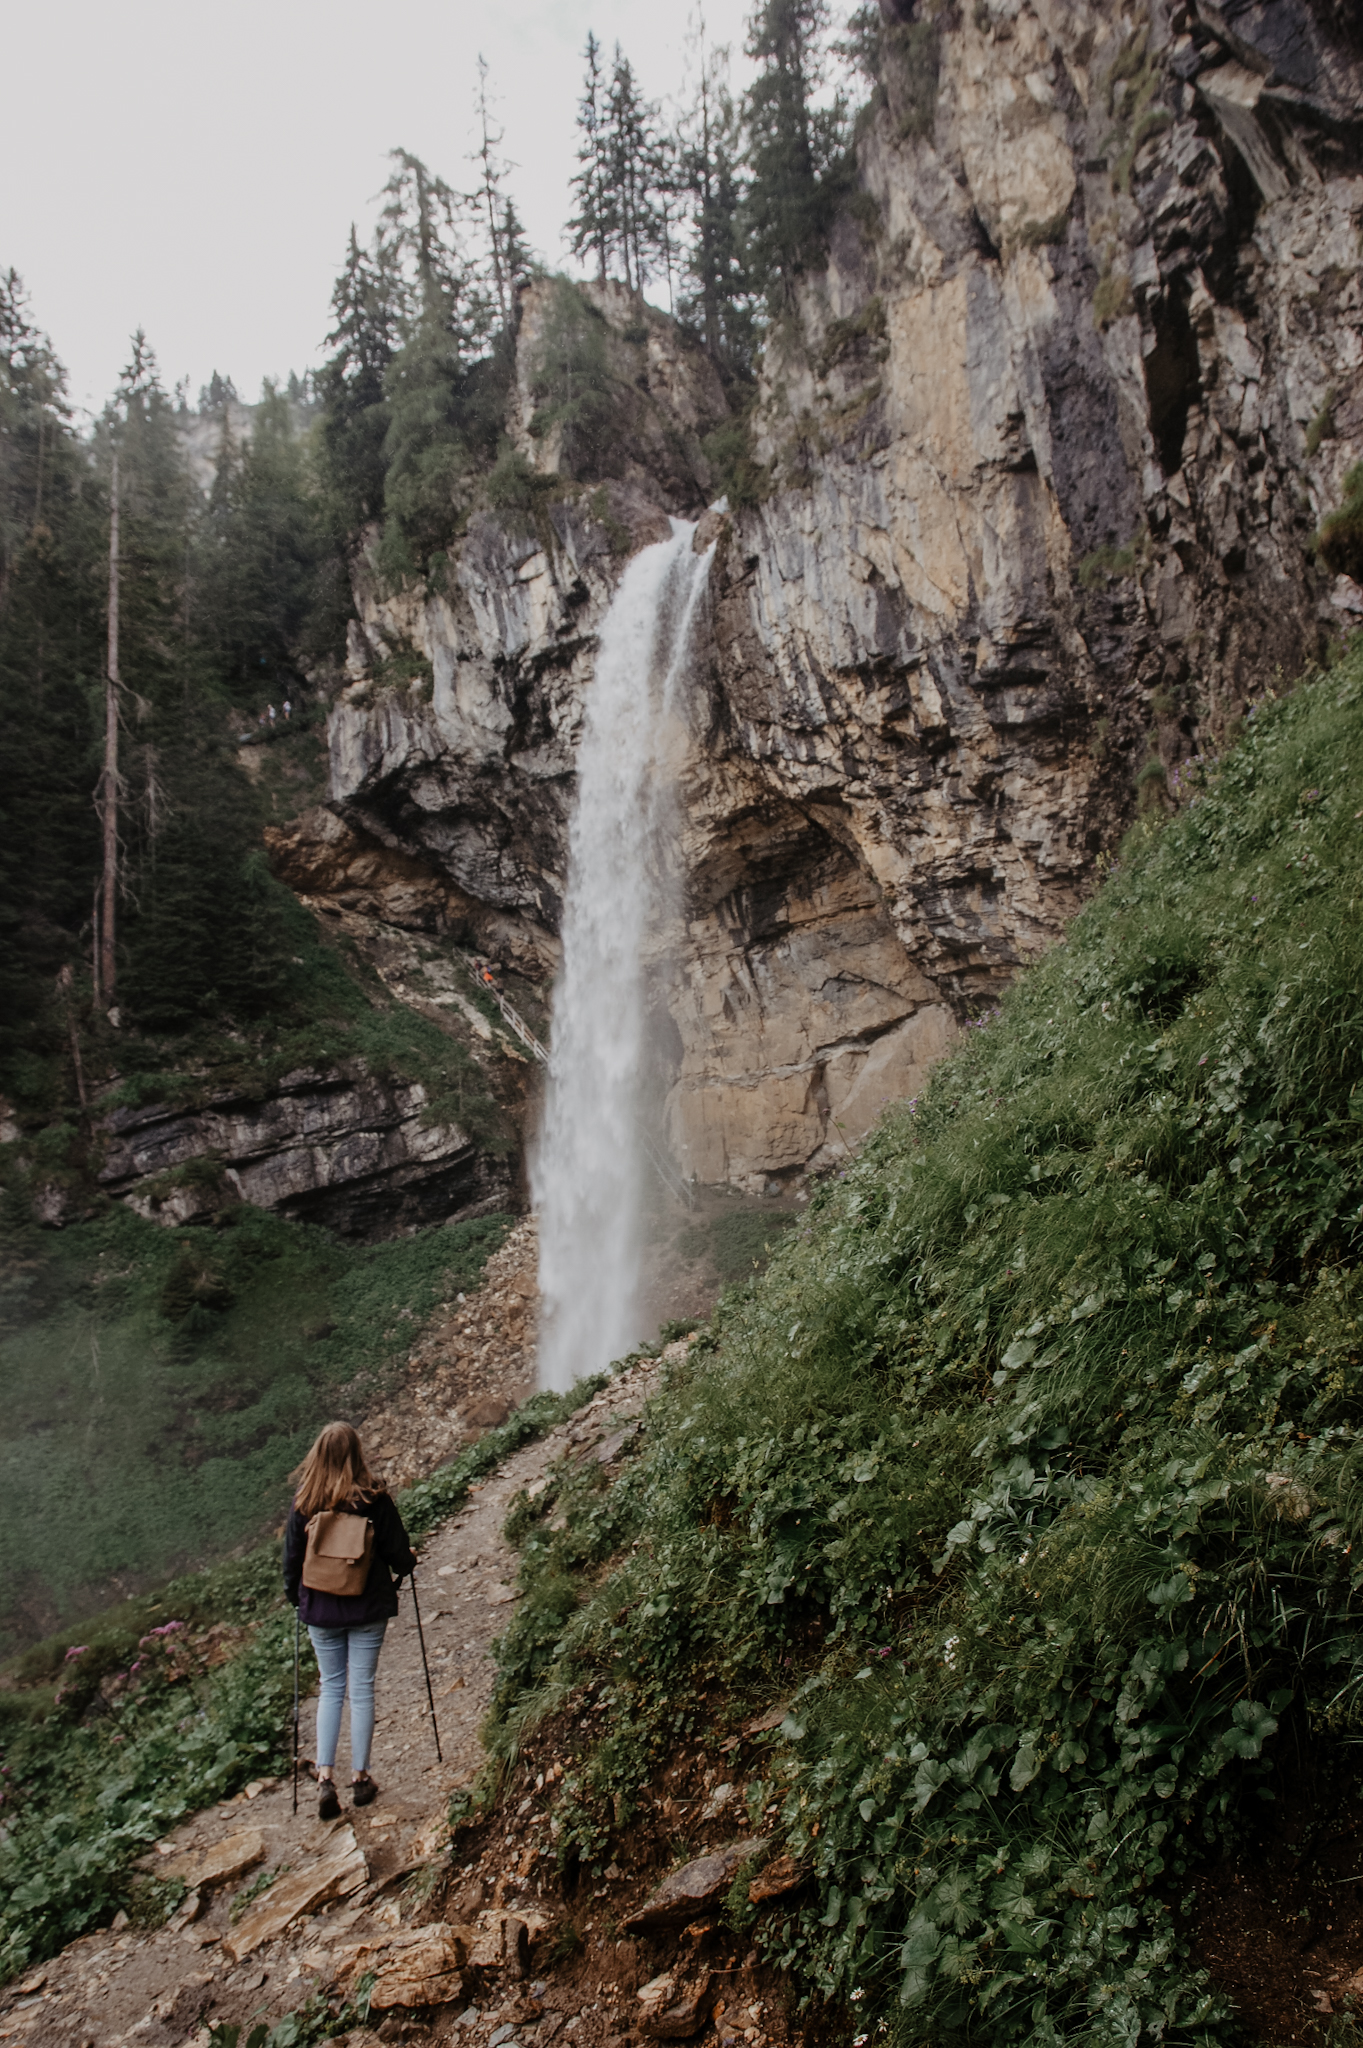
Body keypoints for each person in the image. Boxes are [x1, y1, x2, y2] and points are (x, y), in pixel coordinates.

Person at [283, 1422, 416, 1819]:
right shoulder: (375, 1500)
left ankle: (325, 1776)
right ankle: (360, 1778)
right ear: (357, 1454)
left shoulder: (304, 1504)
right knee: (360, 1690)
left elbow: (291, 1566)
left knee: (330, 1688)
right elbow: (398, 1555)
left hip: (320, 1612)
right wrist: (409, 1560)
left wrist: (300, 1601)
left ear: (317, 1455)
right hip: (366, 1608)